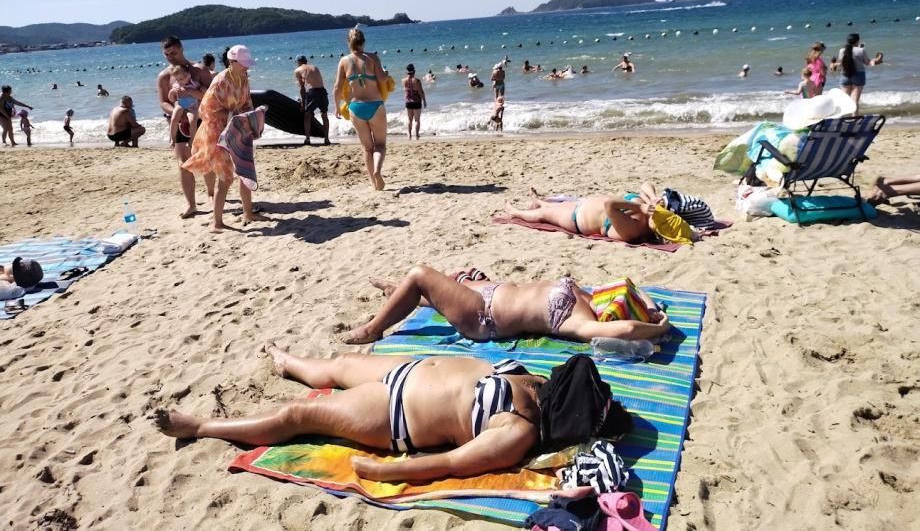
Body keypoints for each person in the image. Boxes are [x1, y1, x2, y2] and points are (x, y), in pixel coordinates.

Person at [155, 349, 632, 482]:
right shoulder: (538, 383)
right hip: (408, 369)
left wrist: (384, 471)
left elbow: (451, 464)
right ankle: (290, 363)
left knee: (298, 413)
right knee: (340, 363)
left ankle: (200, 426)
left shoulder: (518, 432)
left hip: (393, 414)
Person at [341, 265, 669, 345]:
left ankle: (373, 329)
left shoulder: (579, 321)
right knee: (446, 285)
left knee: (420, 275)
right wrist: (652, 308)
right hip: (489, 293)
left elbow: (628, 329)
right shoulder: (588, 297)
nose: (616, 294)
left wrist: (657, 328)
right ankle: (398, 293)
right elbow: (630, 284)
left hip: (484, 317)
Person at [183, 45, 268, 233]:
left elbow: (246, 103)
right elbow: (205, 110)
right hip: (217, 132)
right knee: (225, 177)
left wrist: (252, 119)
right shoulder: (220, 80)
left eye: (247, 63)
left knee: (245, 170)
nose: (246, 67)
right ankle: (217, 223)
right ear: (232, 62)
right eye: (243, 63)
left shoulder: (243, 77)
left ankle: (248, 213)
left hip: (238, 128)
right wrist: (231, 115)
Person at [503, 184, 695, 246]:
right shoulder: (651, 212)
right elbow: (645, 184)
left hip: (577, 217)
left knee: (543, 214)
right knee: (550, 206)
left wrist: (640, 208)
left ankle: (515, 212)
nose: (661, 215)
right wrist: (652, 198)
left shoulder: (634, 230)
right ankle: (540, 201)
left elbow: (609, 205)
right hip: (583, 203)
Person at [156, 36, 215, 219]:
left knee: (205, 159)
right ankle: (191, 204)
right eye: (166, 54)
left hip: (201, 119)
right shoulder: (164, 76)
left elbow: (213, 96)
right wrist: (177, 113)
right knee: (183, 163)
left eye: (173, 53)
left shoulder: (199, 70)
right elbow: (163, 102)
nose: (170, 57)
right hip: (181, 121)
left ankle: (211, 195)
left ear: (181, 49)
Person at [334, 28, 390, 190]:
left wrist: (337, 107)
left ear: (348, 42)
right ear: (363, 42)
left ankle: (373, 183)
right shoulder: (373, 58)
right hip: (375, 105)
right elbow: (382, 78)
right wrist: (386, 74)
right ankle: (378, 171)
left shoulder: (344, 61)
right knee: (380, 145)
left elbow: (337, 87)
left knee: (367, 148)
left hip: (356, 107)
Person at [294, 55, 331, 146]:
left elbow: (302, 88)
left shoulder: (298, 70)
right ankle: (326, 139)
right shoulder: (315, 67)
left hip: (312, 92)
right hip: (322, 91)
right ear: (306, 61)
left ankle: (307, 139)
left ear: (298, 62)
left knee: (307, 115)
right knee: (324, 115)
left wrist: (303, 102)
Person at [166, 65, 202, 147]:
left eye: (181, 79)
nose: (179, 81)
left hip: (192, 106)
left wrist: (201, 89)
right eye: (177, 79)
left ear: (188, 76)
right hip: (181, 105)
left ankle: (192, 140)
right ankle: (173, 138)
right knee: (174, 118)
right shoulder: (176, 86)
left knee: (193, 121)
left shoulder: (194, 84)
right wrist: (171, 92)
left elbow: (201, 93)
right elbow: (171, 99)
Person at [839, 33, 870, 113]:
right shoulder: (861, 50)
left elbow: (841, 62)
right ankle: (855, 118)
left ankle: (843, 118)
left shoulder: (842, 50)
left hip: (845, 74)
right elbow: (867, 62)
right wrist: (861, 49)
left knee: (845, 101)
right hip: (858, 75)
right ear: (857, 41)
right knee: (854, 101)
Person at [403, 64, 426, 140]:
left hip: (408, 102)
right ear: (414, 71)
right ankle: (417, 135)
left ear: (407, 72)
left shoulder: (404, 80)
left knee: (409, 120)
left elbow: (406, 91)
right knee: (417, 120)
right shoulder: (417, 81)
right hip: (416, 102)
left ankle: (409, 135)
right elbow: (421, 92)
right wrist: (424, 101)